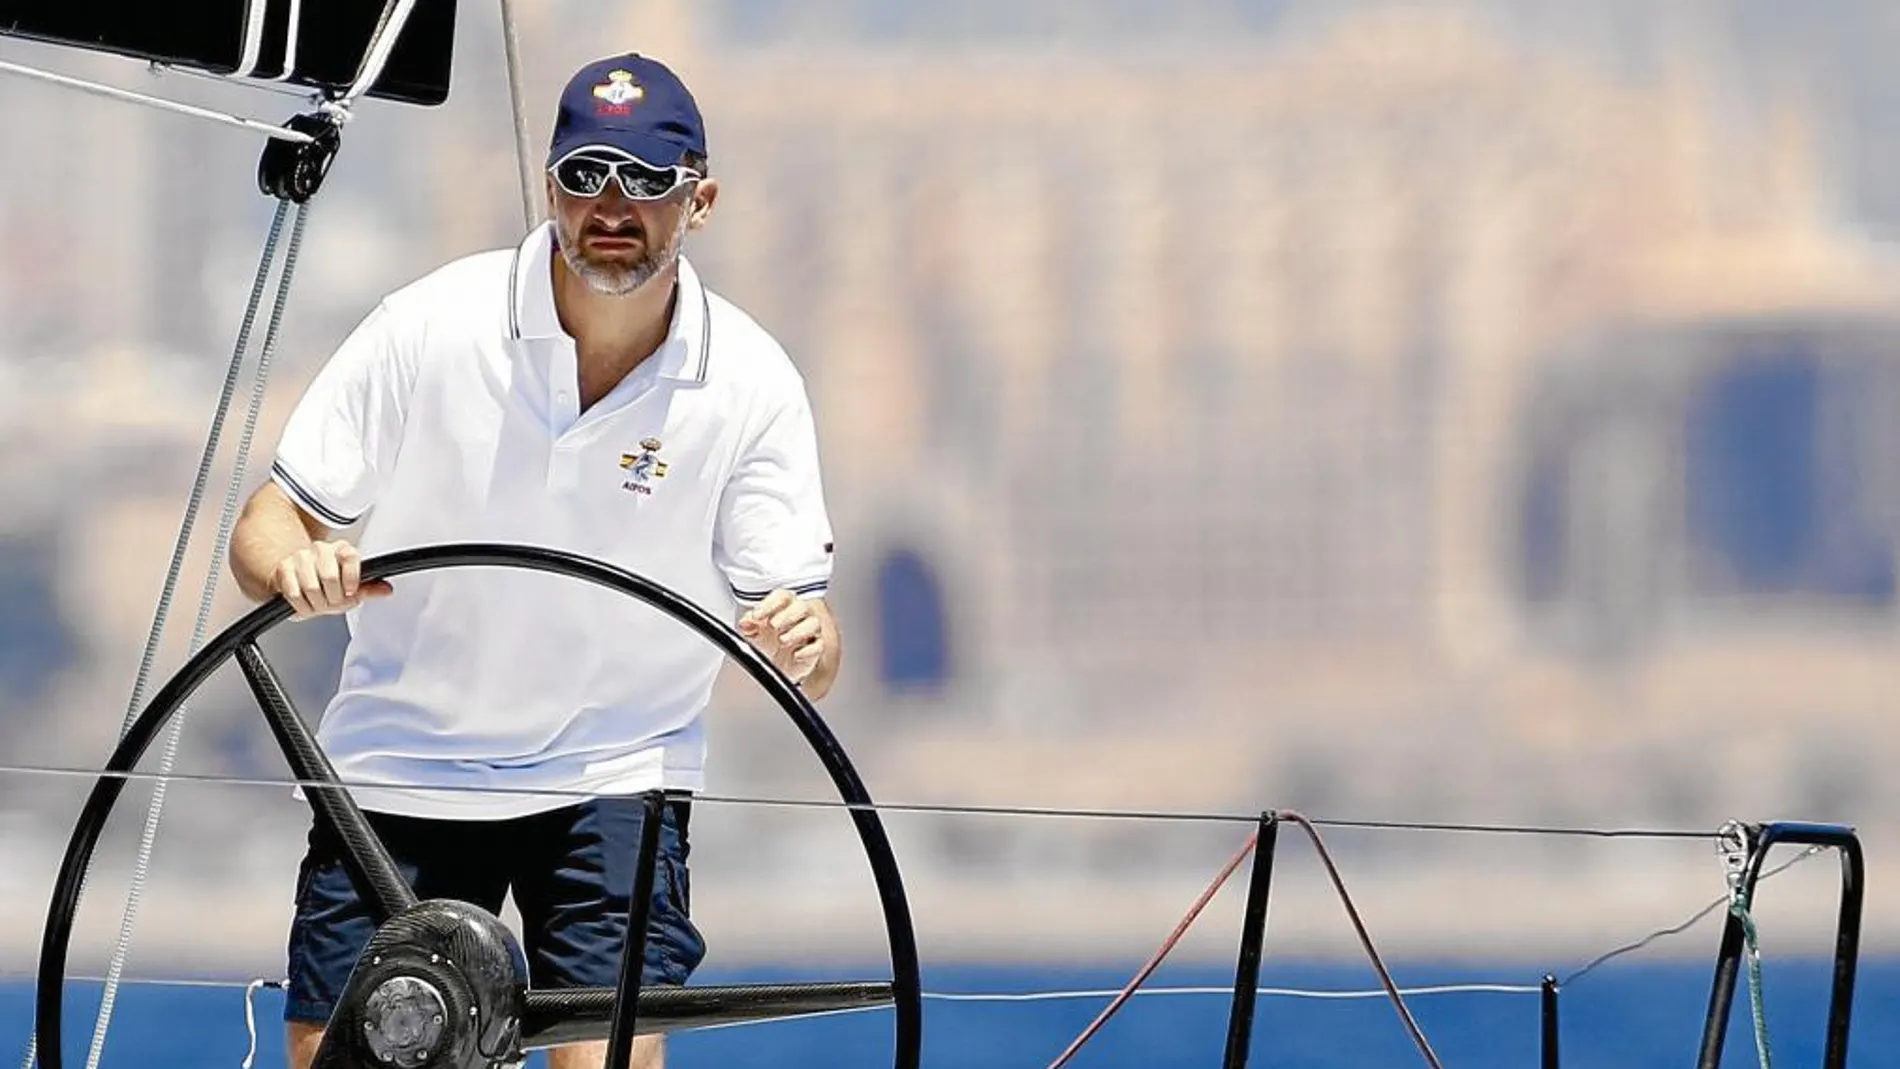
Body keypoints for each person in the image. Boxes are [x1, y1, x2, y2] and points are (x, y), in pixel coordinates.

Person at [227, 52, 841, 1069]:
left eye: (648, 181)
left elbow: (810, 652)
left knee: (605, 1051)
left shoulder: (752, 383)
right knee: (336, 1050)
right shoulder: (431, 326)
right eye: (586, 175)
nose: (613, 205)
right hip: (407, 759)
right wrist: (297, 569)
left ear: (702, 198)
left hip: (615, 766)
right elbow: (265, 525)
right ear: (548, 184)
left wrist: (808, 643)